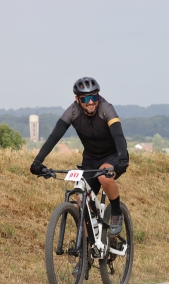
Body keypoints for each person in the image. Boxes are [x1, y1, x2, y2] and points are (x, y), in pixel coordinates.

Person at [30, 77, 129, 236]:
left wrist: (123, 158)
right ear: (77, 99)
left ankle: (116, 213)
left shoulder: (106, 108)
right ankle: (85, 253)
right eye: (86, 99)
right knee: (81, 203)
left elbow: (118, 135)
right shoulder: (73, 111)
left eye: (94, 97)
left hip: (114, 155)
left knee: (104, 177)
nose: (91, 102)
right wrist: (38, 161)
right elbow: (54, 136)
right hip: (90, 159)